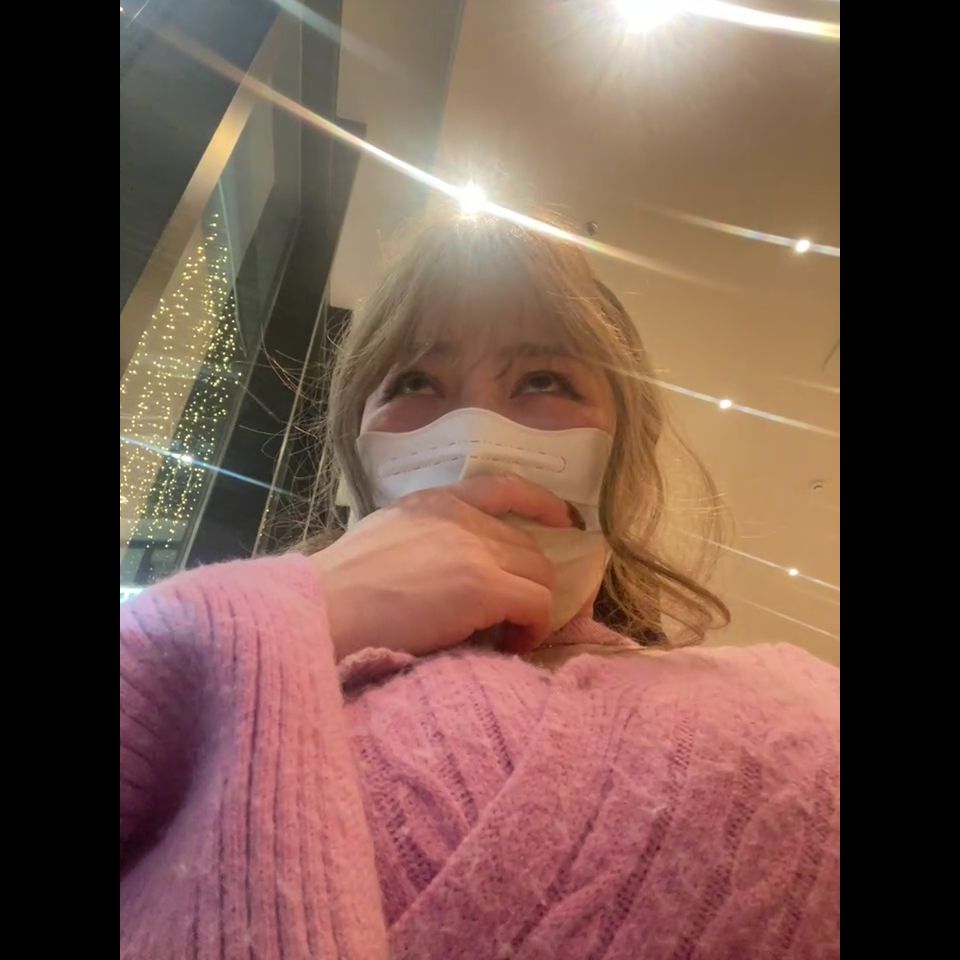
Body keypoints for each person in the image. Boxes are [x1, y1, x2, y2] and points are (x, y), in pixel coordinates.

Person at [120, 209, 839, 960]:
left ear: (626, 447)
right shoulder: (248, 649)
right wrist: (307, 606)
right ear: (357, 451)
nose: (476, 439)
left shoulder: (788, 715)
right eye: (415, 381)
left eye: (543, 380)